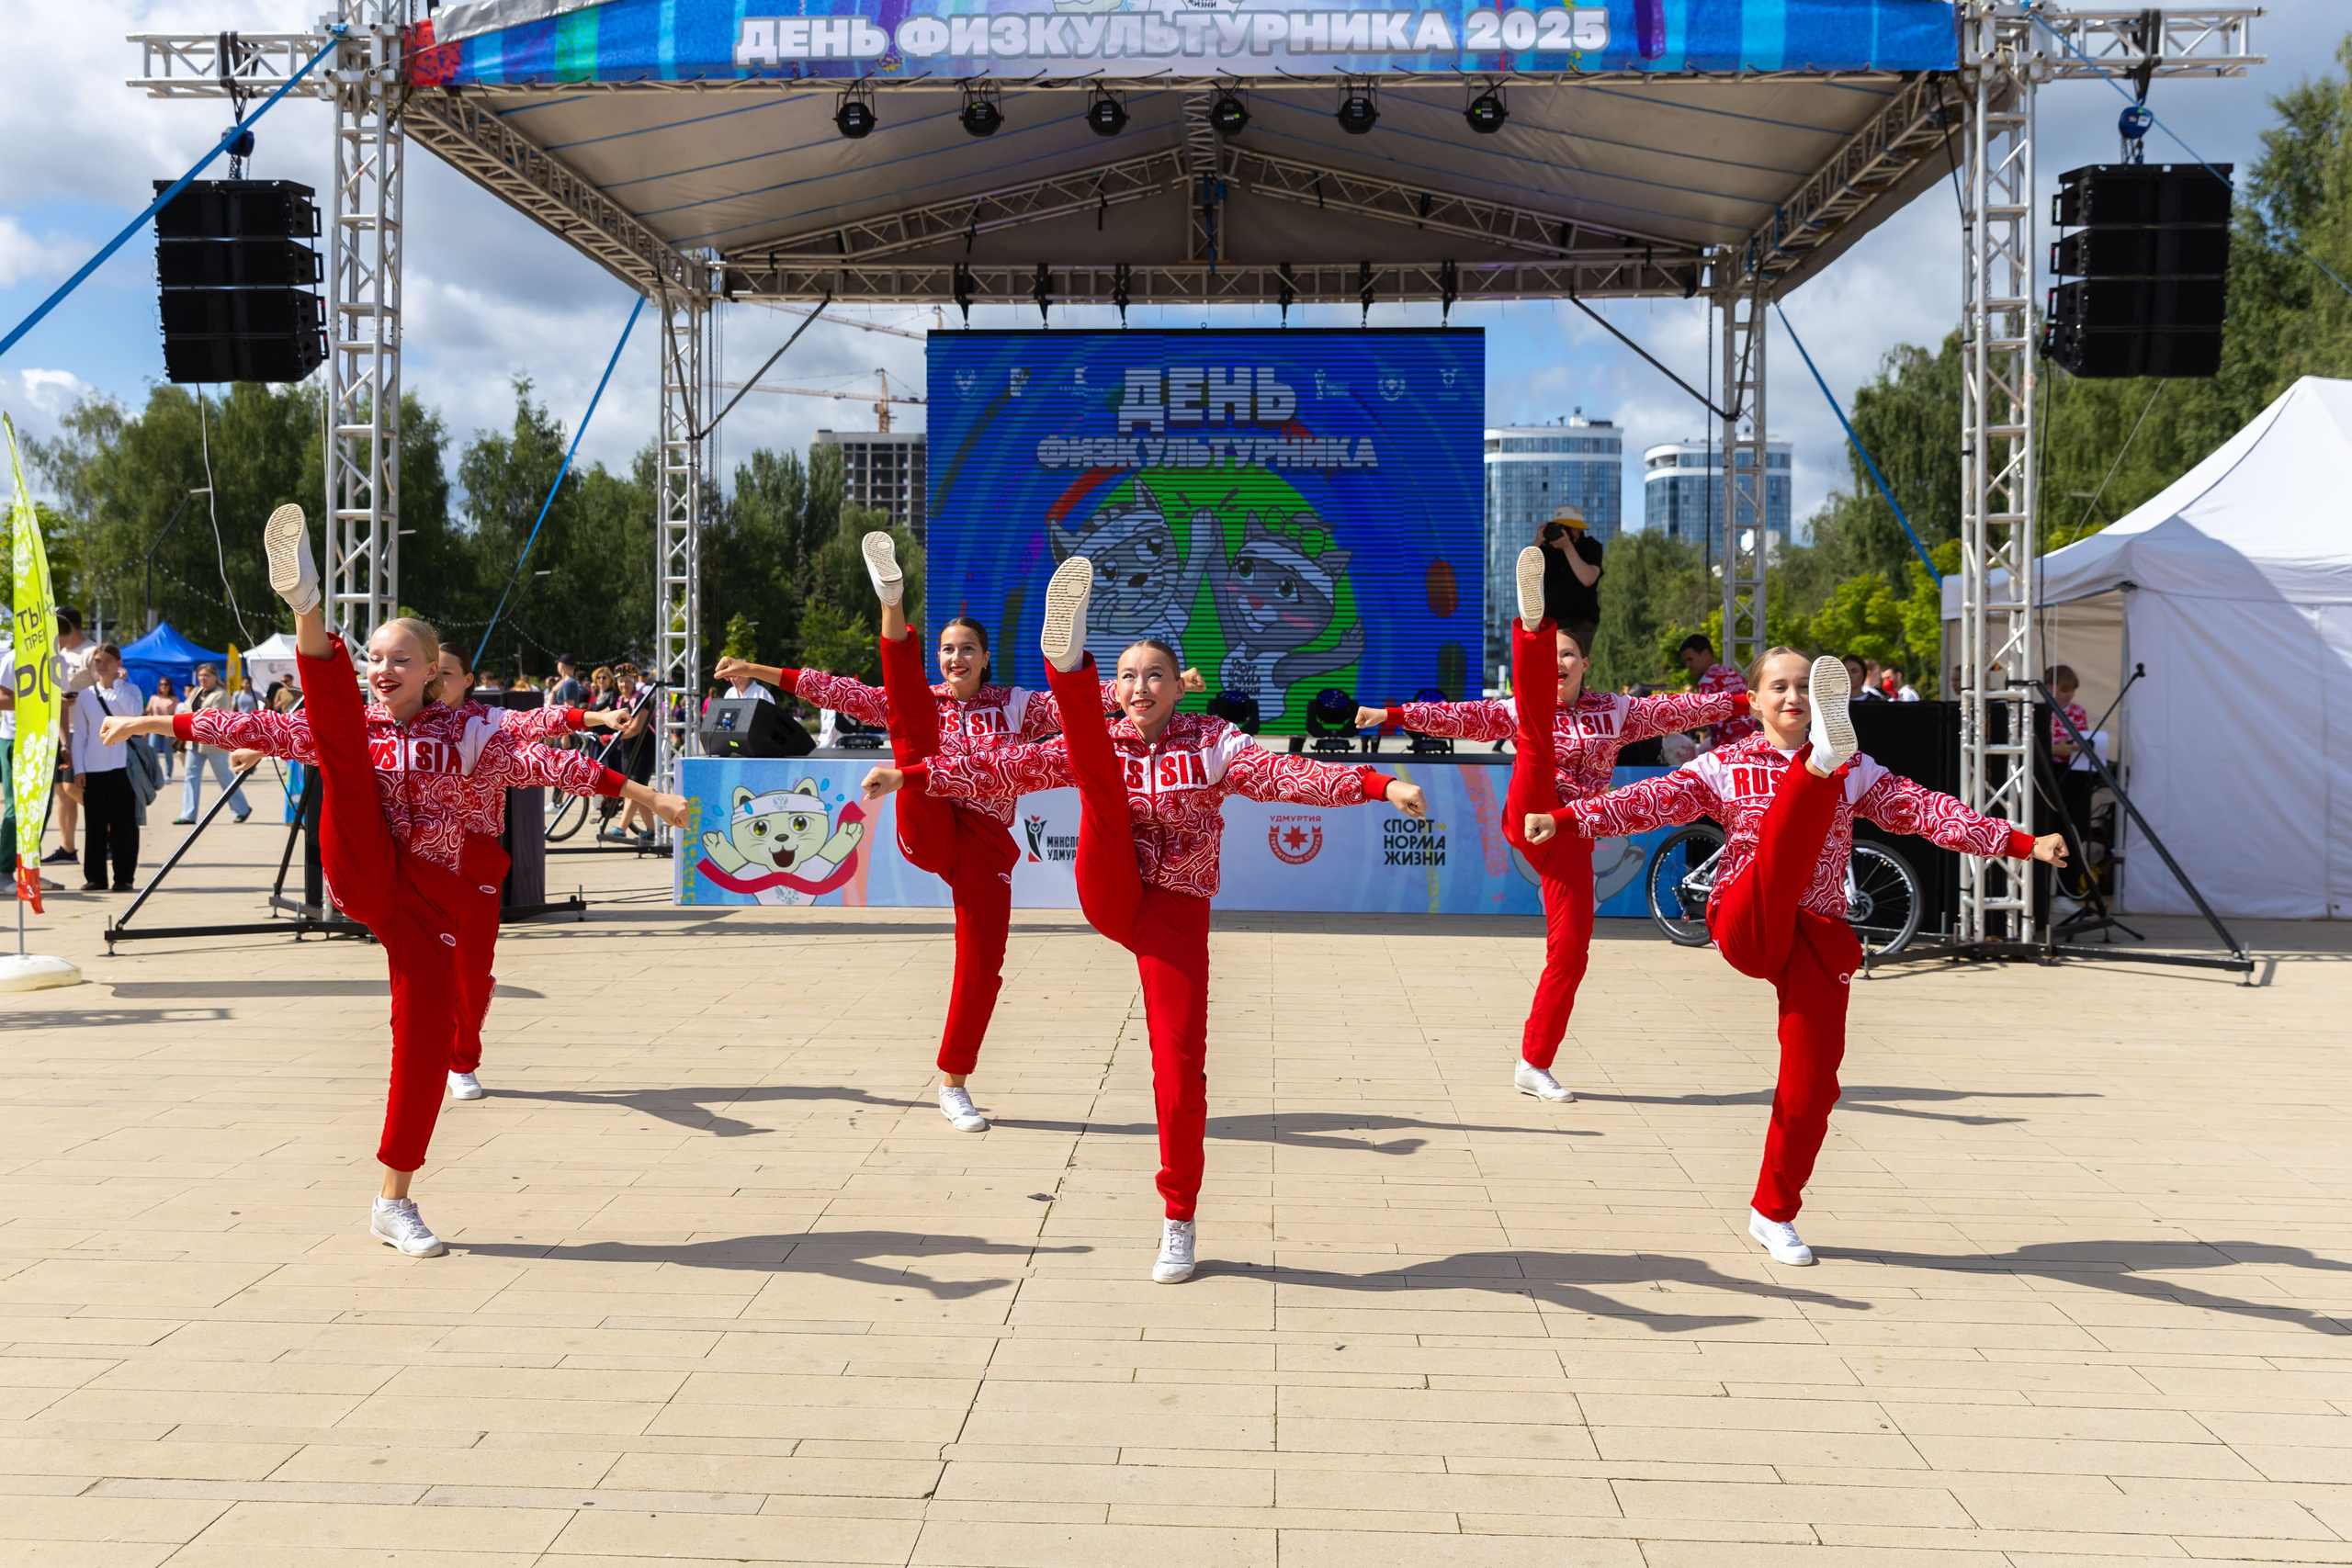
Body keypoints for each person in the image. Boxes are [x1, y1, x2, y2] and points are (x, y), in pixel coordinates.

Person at [104, 505, 688, 1258]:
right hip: (364, 864)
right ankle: (308, 605)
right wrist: (147, 727)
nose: (384, 670)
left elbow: (556, 762)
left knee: (422, 1035)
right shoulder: (354, 721)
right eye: (374, 658)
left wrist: (648, 797)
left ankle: (393, 1198)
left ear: (435, 670)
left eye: (401, 660)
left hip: (430, 895)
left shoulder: (474, 732)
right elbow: (254, 729)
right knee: (341, 746)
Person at [863, 557, 1428, 1284]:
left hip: (1176, 911)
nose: (1137, 688)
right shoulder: (1103, 738)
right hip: (1110, 883)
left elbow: (1295, 777)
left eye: (1153, 674)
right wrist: (910, 776)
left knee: (1179, 1064)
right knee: (1095, 769)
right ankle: (1066, 660)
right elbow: (1001, 769)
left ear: (1177, 681)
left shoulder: (1214, 742)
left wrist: (1379, 783)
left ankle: (1179, 1218)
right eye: (1126, 676)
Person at [1528, 650, 2066, 1266]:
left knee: (1814, 1085)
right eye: (1778, 687)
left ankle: (1773, 1210)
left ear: (1820, 703)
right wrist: (1567, 819)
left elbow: (1927, 811)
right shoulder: (1725, 765)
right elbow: (1646, 799)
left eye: (1805, 688)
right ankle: (1812, 771)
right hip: (1749, 914)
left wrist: (2020, 842)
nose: (1792, 697)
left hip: (1815, 930)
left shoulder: (1858, 769)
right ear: (1753, 702)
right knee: (1778, 856)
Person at [719, 536, 1137, 1133]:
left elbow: (1092, 702)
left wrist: (1142, 688)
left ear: (985, 658)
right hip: (929, 819)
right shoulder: (928, 698)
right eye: (946, 649)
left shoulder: (1017, 705)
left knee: (983, 965)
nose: (955, 659)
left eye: (966, 650)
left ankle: (954, 1084)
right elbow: (836, 690)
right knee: (911, 721)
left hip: (988, 840)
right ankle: (892, 604)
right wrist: (755, 669)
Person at [1357, 546, 1749, 1101]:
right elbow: (1460, 715)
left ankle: (1533, 1063)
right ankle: (1529, 624)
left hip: (1570, 832)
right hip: (1527, 812)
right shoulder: (1521, 704)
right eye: (1552, 654)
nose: (1560, 664)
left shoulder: (1617, 710)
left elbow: (1678, 711)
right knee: (1536, 733)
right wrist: (1392, 715)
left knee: (1570, 955)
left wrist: (1746, 699)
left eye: (1567, 655)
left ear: (1585, 663)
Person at [67, 644, 144, 894]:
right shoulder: (87, 695)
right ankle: (96, 877)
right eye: (98, 661)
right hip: (94, 768)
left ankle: (124, 877)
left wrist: (119, 685)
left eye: (108, 661)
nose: (102, 665)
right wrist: (79, 769)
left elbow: (134, 715)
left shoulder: (130, 690)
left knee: (124, 825)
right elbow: (80, 735)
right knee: (95, 825)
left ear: (118, 663)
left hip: (123, 767)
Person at [45, 607, 98, 865]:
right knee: (61, 792)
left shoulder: (92, 651)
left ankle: (109, 825)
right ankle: (68, 849)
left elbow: (104, 688)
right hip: (60, 728)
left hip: (84, 730)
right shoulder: (60, 652)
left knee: (72, 786)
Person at [176, 663, 252, 824]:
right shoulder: (196, 691)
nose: (202, 678)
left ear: (215, 677)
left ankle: (242, 809)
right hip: (194, 742)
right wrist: (193, 716)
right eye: (200, 675)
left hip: (213, 744)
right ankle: (188, 814)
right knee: (190, 777)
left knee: (224, 777)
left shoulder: (221, 694)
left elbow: (213, 717)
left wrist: (193, 716)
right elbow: (184, 710)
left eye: (206, 675)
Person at [1676, 634, 1758, 753]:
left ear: (1705, 654)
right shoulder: (1734, 675)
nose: (1687, 666)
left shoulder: (1707, 681)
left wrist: (1677, 722)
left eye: (1690, 659)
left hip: (1727, 748)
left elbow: (1703, 719)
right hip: (1752, 742)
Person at [1537, 505, 1603, 649]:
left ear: (1578, 529)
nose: (1562, 532)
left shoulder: (1591, 546)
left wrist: (1567, 547)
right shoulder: (1547, 549)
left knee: (1572, 663)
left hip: (1581, 621)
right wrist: (1537, 543)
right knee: (1548, 667)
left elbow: (1588, 578)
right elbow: (1526, 574)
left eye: (1567, 528)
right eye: (1560, 527)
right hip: (1551, 622)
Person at [2046, 664, 2089, 761]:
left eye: (2073, 690)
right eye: (2064, 690)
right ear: (2049, 687)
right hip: (2045, 767)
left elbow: (2083, 737)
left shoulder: (2079, 711)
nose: (2069, 695)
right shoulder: (2038, 711)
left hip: (2072, 767)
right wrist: (2054, 750)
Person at [145, 676, 182, 780]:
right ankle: (154, 774)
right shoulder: (154, 698)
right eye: (161, 684)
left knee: (168, 752)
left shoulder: (174, 699)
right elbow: (150, 713)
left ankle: (168, 774)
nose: (164, 686)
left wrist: (173, 730)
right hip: (154, 727)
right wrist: (145, 730)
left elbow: (176, 715)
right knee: (152, 751)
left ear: (170, 686)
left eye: (166, 684)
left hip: (167, 727)